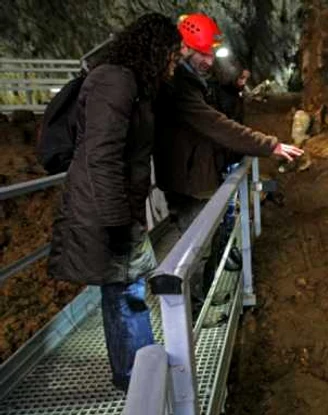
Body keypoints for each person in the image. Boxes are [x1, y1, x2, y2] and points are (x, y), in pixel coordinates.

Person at [48, 13, 182, 392]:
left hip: (120, 207)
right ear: (156, 50)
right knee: (125, 290)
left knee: (127, 286)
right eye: (172, 56)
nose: (173, 65)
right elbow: (101, 156)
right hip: (107, 209)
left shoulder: (131, 83)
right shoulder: (115, 81)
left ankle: (138, 372)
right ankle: (137, 379)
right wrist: (117, 223)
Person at [153, 13, 303, 302]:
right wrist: (268, 144)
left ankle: (199, 299)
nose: (210, 61)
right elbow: (216, 124)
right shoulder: (179, 86)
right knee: (196, 248)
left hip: (195, 173)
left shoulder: (191, 79)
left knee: (203, 240)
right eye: (203, 54)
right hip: (188, 180)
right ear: (183, 48)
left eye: (211, 53)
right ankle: (192, 311)